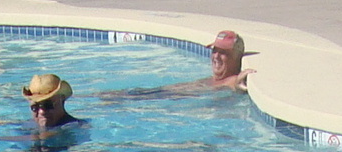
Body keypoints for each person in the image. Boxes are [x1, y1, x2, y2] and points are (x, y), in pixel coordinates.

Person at [100, 30, 254, 100]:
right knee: (111, 95)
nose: (216, 56)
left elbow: (235, 83)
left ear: (237, 56)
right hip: (158, 94)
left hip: (163, 99)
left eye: (223, 52)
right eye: (214, 51)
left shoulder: (228, 81)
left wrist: (239, 80)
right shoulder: (214, 79)